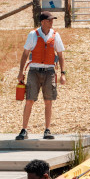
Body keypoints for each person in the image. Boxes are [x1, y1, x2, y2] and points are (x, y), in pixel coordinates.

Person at [16, 11, 66, 140]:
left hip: (49, 71)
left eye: (52, 20)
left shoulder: (56, 35)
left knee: (48, 101)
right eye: (49, 20)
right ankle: (24, 129)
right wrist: (21, 72)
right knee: (29, 100)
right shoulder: (33, 35)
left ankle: (47, 130)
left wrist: (62, 73)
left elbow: (60, 55)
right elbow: (25, 53)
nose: (51, 22)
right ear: (43, 22)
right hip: (34, 70)